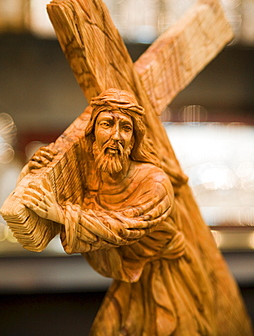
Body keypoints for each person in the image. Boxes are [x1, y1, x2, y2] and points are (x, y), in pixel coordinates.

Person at [20, 89, 236, 335]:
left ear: (134, 139)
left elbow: (123, 228)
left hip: (171, 277)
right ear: (92, 134)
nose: (116, 136)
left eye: (125, 128)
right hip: (131, 277)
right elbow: (41, 205)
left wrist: (61, 215)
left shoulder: (154, 182)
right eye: (107, 124)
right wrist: (32, 172)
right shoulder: (92, 178)